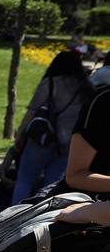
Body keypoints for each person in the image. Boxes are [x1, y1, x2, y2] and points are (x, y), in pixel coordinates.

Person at [11, 51, 93, 203]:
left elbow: (32, 112)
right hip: (69, 143)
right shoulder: (86, 87)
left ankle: (12, 217)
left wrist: (20, 136)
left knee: (25, 181)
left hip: (42, 138)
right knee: (51, 187)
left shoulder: (50, 83)